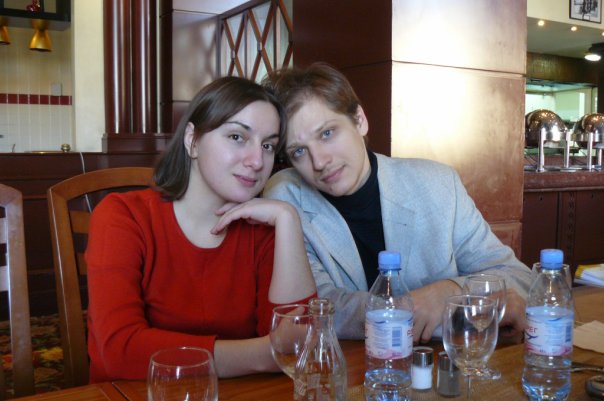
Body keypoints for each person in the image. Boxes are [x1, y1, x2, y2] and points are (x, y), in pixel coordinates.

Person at [261, 62, 532, 342]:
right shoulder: (286, 198)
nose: (319, 162)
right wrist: (422, 308)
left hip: (448, 362)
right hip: (352, 364)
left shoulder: (438, 184)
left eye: (327, 133)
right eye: (299, 151)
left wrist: (450, 291)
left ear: (359, 120)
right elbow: (318, 307)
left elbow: (518, 277)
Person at [85, 76, 316, 382]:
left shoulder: (265, 229)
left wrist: (288, 219)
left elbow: (297, 344)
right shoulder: (123, 216)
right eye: (237, 137)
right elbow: (119, 351)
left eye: (268, 146)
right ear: (192, 140)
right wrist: (265, 355)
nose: (257, 161)